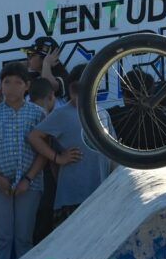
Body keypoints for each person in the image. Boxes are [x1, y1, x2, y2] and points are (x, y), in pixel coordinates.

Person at [0, 62, 48, 259]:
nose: (12, 87)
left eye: (18, 82)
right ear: (1, 85)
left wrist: (28, 178)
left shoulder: (38, 114)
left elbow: (43, 152)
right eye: (7, 82)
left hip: (31, 183)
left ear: (27, 86)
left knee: (23, 238)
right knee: (1, 239)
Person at [28, 64, 112, 228]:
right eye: (75, 89)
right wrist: (58, 157)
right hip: (73, 196)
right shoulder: (61, 114)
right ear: (70, 89)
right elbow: (34, 136)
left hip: (101, 193)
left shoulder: (103, 113)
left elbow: (112, 152)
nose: (79, 93)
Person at [28, 77, 59, 245]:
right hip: (45, 177)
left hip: (24, 179)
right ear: (51, 96)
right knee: (45, 230)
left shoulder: (23, 114)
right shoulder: (48, 117)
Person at [25, 36, 68, 101]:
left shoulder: (62, 74)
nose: (28, 58)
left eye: (31, 55)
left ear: (45, 58)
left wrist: (47, 63)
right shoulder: (33, 75)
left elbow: (48, 86)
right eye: (28, 54)